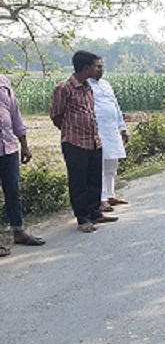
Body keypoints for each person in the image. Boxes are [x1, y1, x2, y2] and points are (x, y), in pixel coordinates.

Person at [51, 51, 118, 233]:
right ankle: (83, 219)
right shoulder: (64, 88)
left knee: (94, 179)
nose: (99, 70)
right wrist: (71, 130)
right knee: (78, 182)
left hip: (93, 141)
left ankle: (95, 213)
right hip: (75, 142)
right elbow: (56, 115)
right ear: (86, 67)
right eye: (96, 66)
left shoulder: (88, 87)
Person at [0, 75, 45, 256]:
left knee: (13, 191)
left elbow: (15, 114)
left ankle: (18, 231)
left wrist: (24, 145)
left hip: (8, 147)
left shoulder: (3, 82)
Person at [89, 59, 129, 212]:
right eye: (97, 67)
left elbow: (116, 106)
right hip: (98, 130)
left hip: (112, 130)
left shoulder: (106, 84)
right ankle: (102, 198)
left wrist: (122, 128)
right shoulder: (86, 86)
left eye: (102, 67)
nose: (101, 70)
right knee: (100, 164)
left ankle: (111, 194)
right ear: (89, 68)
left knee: (112, 163)